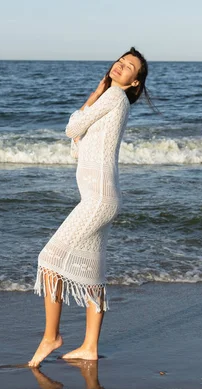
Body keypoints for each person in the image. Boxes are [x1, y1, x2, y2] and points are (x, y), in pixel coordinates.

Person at [29, 47, 153, 368]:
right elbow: (76, 145)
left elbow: (71, 129)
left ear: (134, 82)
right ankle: (89, 347)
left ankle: (51, 337)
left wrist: (95, 97)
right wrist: (94, 96)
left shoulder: (114, 99)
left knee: (50, 260)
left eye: (129, 67)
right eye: (121, 61)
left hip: (98, 199)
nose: (120, 66)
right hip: (101, 197)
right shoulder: (110, 101)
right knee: (93, 272)